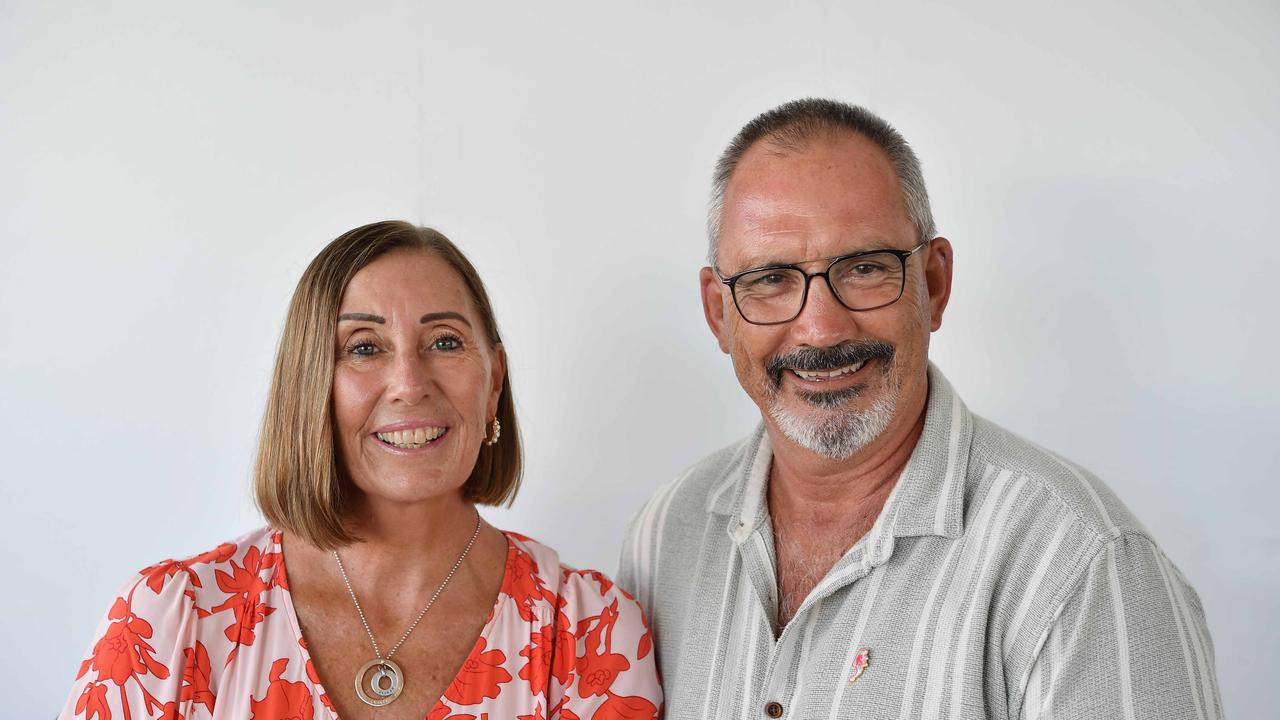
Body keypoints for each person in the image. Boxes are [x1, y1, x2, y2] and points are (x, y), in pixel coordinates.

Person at [619, 99, 1222, 719]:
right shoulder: (664, 537)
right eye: (770, 278)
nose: (821, 329)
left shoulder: (1082, 564)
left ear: (934, 284)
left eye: (864, 268)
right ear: (719, 313)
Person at [60, 221, 661, 720]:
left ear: (494, 379)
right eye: (364, 347)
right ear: (309, 384)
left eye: (446, 342)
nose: (409, 383)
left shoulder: (588, 634)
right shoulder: (172, 624)